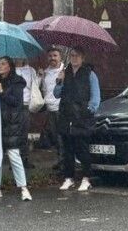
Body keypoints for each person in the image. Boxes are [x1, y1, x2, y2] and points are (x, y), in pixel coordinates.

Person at [55, 49, 99, 192]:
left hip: (82, 117)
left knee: (82, 149)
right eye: (72, 56)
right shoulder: (65, 73)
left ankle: (86, 178)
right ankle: (69, 178)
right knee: (67, 150)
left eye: (77, 56)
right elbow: (56, 94)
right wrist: (59, 81)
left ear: (83, 57)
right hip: (66, 116)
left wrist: (88, 110)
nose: (74, 58)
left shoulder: (89, 74)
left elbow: (95, 96)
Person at [0, 56, 32, 201]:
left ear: (10, 66)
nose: (0, 66)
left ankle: (24, 188)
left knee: (14, 154)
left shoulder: (17, 81)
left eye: (3, 64)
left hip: (12, 123)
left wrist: (2, 91)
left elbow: (16, 102)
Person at [39, 49, 65, 157]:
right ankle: (60, 161)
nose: (52, 58)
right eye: (50, 56)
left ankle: (65, 163)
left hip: (62, 109)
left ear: (60, 57)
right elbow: (43, 90)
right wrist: (40, 77)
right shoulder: (45, 72)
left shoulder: (65, 71)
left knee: (62, 137)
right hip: (49, 109)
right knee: (55, 137)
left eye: (55, 55)